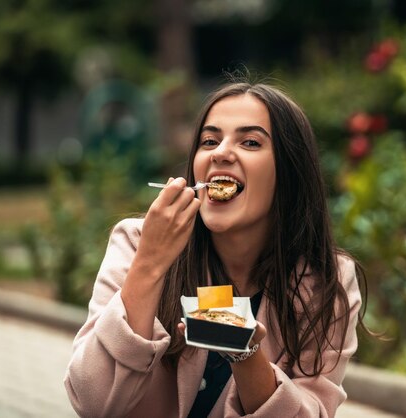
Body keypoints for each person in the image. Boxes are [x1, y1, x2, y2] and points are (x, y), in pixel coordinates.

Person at [64, 81, 368, 418]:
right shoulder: (138, 244)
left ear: (289, 172)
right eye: (209, 141)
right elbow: (91, 403)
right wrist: (150, 265)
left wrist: (246, 355)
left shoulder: (327, 280)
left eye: (250, 142)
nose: (220, 152)